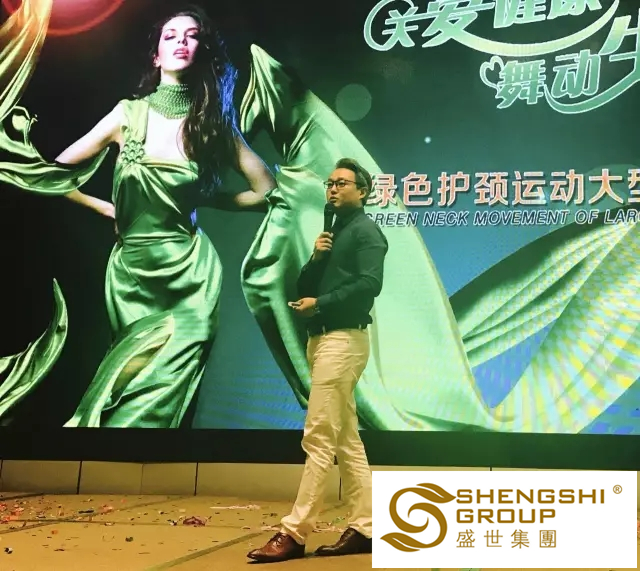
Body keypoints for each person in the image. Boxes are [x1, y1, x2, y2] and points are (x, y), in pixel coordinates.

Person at [52, 5, 276, 427]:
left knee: (171, 388)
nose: (180, 42)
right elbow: (54, 175)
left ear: (202, 52)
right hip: (133, 276)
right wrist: (106, 207)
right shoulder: (127, 114)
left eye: (191, 36)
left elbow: (266, 191)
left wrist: (207, 199)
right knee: (131, 391)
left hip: (190, 276)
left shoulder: (213, 123)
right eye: (170, 36)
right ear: (156, 55)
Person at [247, 158, 387, 562]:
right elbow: (303, 285)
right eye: (330, 183)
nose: (333, 189)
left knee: (319, 436)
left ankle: (294, 532)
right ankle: (366, 528)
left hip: (344, 340)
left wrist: (322, 302)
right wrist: (316, 258)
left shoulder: (367, 232)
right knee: (346, 439)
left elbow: (370, 285)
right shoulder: (332, 233)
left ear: (363, 191)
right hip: (321, 339)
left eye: (342, 183)